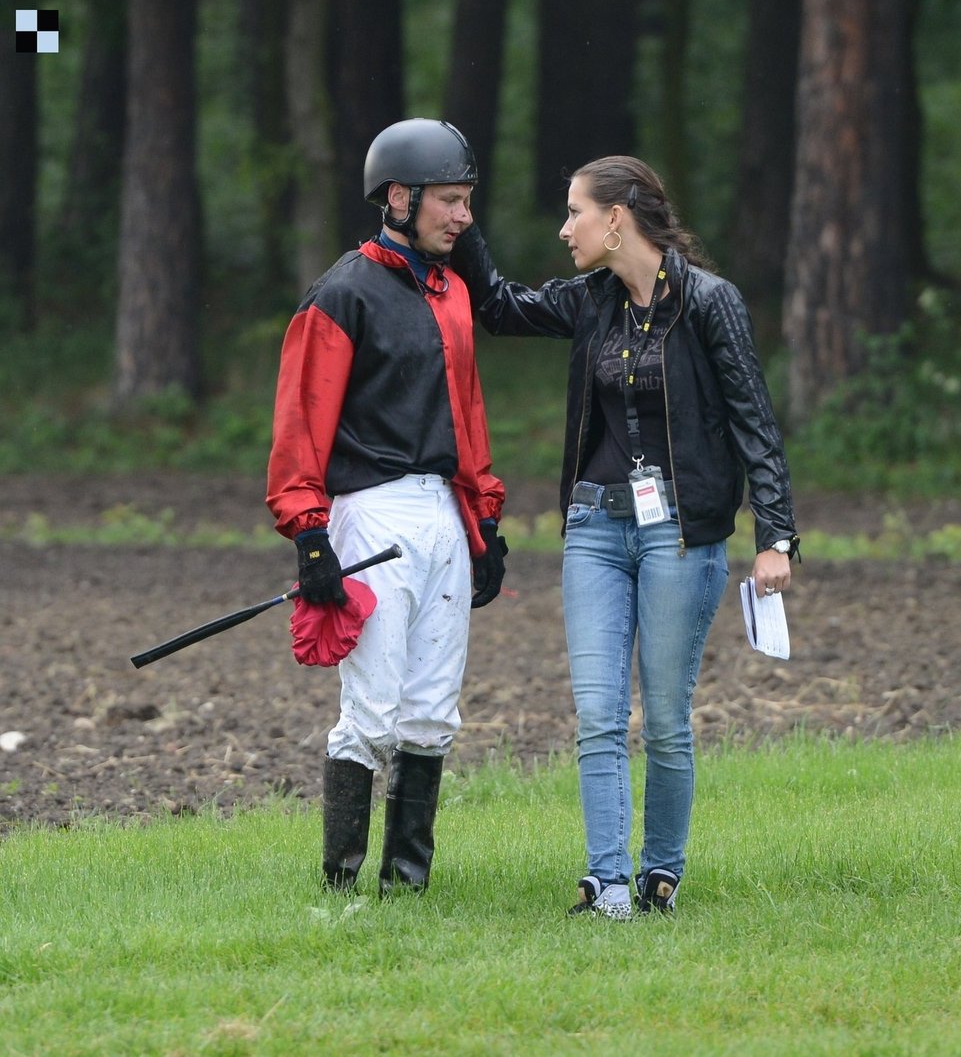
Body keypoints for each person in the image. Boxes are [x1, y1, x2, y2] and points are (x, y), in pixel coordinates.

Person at [451, 155, 799, 918]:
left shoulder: (710, 302)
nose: (564, 227)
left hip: (682, 535)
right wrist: (464, 226)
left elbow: (755, 424)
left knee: (666, 720)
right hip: (594, 529)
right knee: (599, 713)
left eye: (575, 211)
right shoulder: (590, 300)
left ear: (617, 220)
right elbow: (502, 307)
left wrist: (776, 535)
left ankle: (660, 874)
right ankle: (606, 881)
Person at [266, 118, 507, 897]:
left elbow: (467, 416)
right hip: (369, 515)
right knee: (371, 708)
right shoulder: (341, 293)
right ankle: (339, 881)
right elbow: (302, 423)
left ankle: (408, 884)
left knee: (433, 707)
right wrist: (309, 538)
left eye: (468, 200)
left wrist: (485, 520)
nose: (463, 216)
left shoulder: (455, 292)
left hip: (441, 513)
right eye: (449, 200)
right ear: (398, 199)